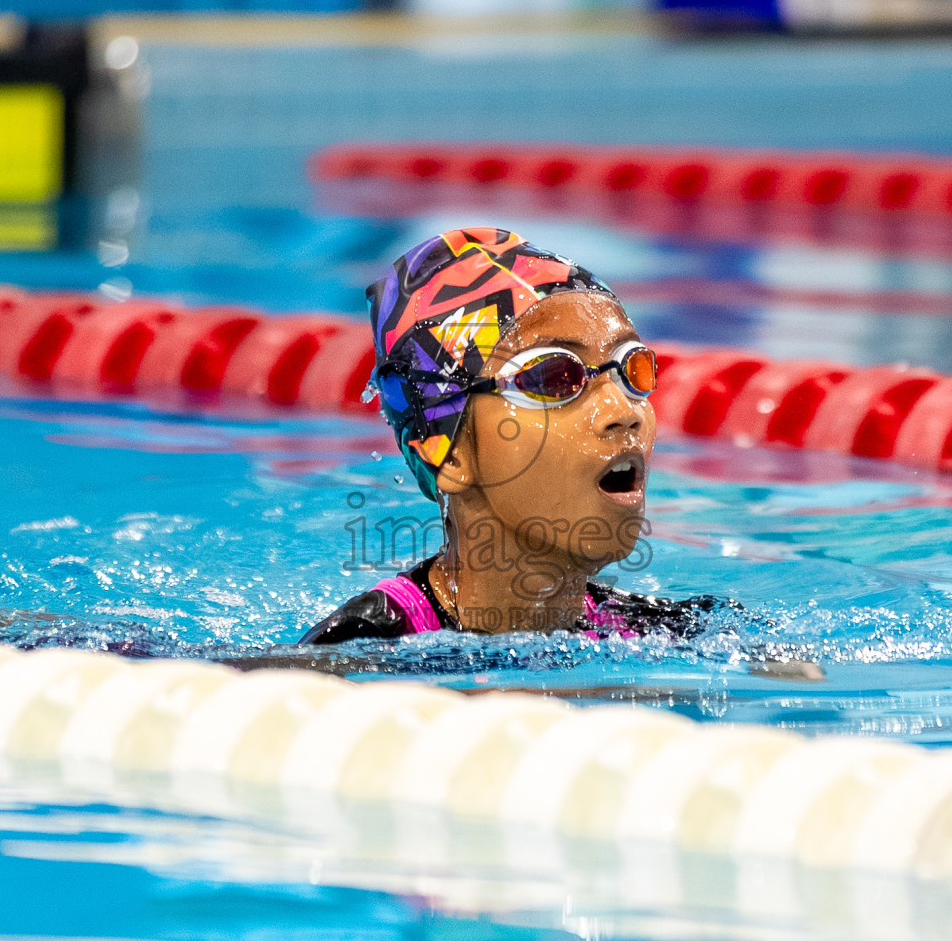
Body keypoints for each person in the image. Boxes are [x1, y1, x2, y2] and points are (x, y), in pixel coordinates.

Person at [300, 227, 732, 645]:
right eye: (555, 377)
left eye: (630, 368)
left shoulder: (678, 634)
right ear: (446, 453)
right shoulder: (358, 654)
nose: (623, 413)